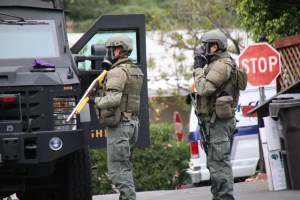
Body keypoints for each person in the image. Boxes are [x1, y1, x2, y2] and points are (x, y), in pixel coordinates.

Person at [91, 33, 144, 200]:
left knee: (118, 171)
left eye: (111, 50)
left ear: (119, 50)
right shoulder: (134, 69)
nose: (109, 54)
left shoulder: (117, 72)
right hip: (132, 124)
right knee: (124, 168)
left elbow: (114, 99)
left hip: (120, 126)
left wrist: (94, 99)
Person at [193, 29, 239, 200]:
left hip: (218, 123)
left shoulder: (221, 65)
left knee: (219, 165)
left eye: (206, 46)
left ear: (215, 47)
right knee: (214, 165)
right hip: (214, 122)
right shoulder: (217, 64)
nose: (203, 49)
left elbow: (204, 88)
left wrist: (197, 69)